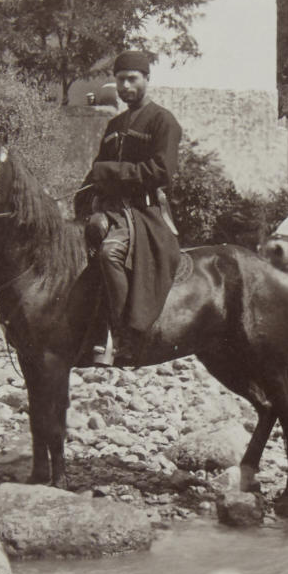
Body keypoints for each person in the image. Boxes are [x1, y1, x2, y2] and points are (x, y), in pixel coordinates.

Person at [74, 50, 182, 365]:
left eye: (132, 79)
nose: (125, 86)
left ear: (147, 79)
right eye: (120, 80)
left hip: (145, 213)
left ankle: (126, 338)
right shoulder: (115, 124)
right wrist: (83, 197)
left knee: (110, 253)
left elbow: (162, 171)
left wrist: (110, 173)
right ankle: (92, 333)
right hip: (111, 210)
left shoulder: (163, 121)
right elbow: (96, 170)